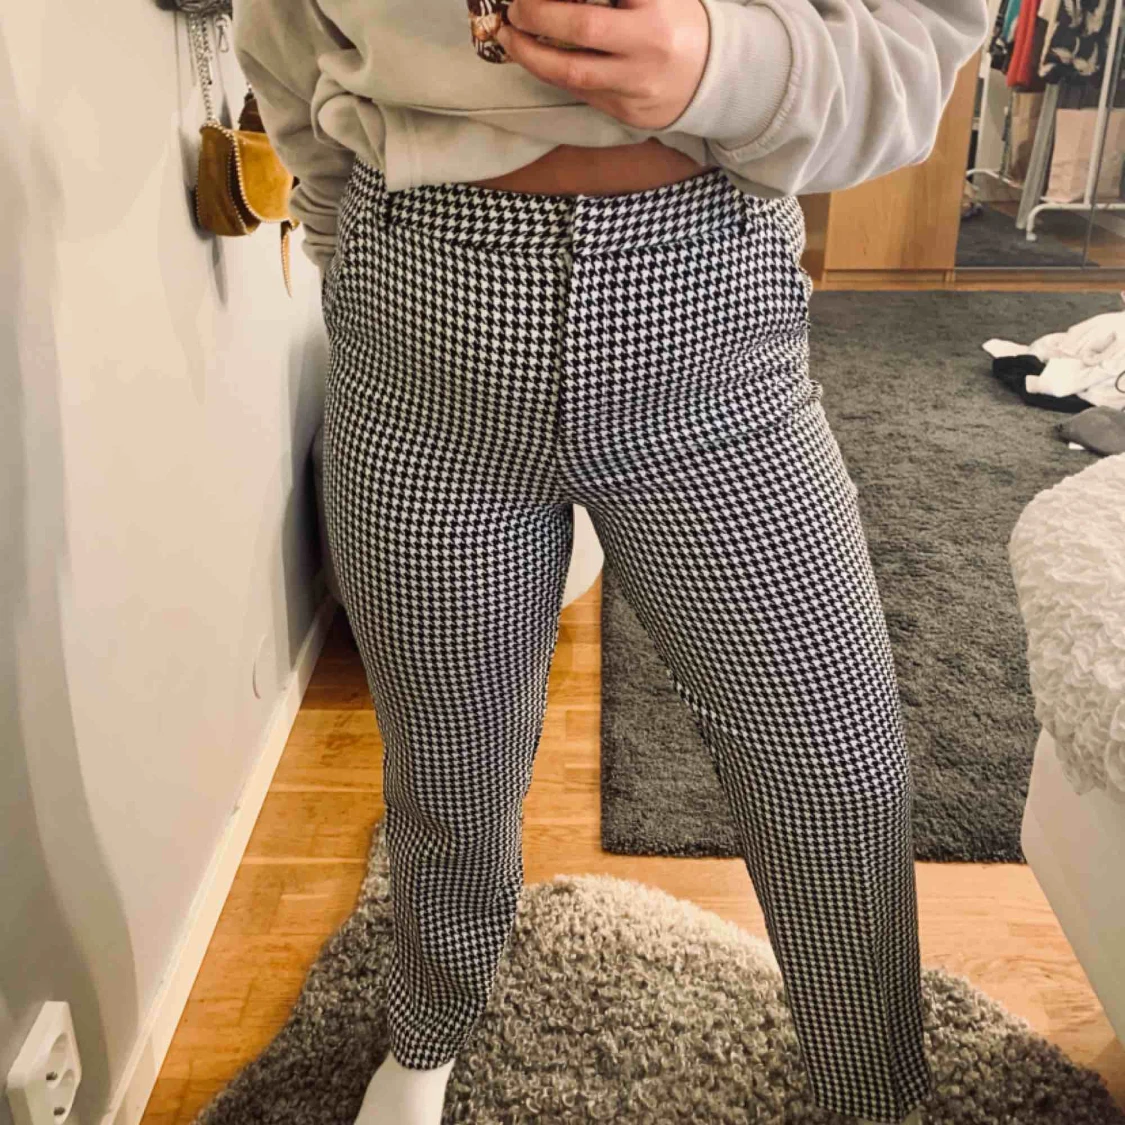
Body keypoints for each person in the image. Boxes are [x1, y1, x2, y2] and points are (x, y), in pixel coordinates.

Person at [232, 0, 990, 1120]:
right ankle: (431, 1021)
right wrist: (352, 270)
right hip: (418, 326)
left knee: (829, 761)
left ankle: (872, 1087)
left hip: (708, 299)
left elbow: (915, 40)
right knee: (448, 764)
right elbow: (288, 49)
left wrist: (726, 65)